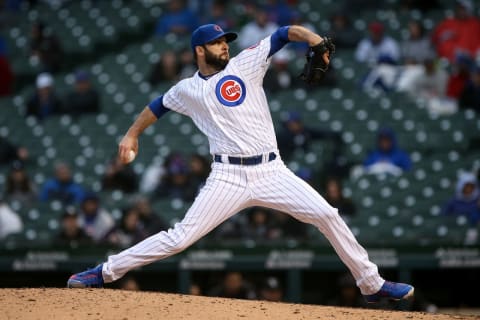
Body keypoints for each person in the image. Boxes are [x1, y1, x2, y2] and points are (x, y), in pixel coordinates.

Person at [67, 23, 414, 303]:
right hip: (227, 176)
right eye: (217, 43)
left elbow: (283, 34)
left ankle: (371, 284)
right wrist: (131, 135)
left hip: (271, 170)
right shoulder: (187, 89)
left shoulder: (245, 64)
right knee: (180, 238)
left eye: (225, 41)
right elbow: (157, 105)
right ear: (199, 51)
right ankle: (103, 272)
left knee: (327, 214)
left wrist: (313, 40)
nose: (225, 46)